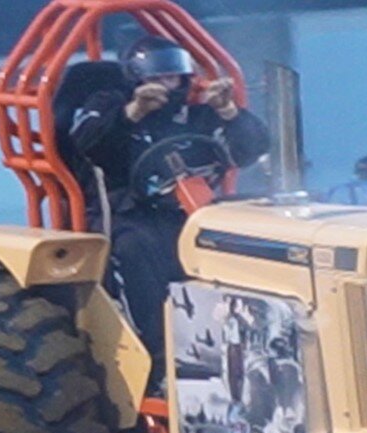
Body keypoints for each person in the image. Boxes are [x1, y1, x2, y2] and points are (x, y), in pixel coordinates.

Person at [68, 36, 269, 384]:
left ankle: (253, 349)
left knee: (247, 242)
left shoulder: (197, 112)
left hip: (191, 211)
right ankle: (158, 362)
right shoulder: (108, 103)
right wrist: (133, 113)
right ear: (136, 79)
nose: (166, 86)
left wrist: (229, 113)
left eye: (173, 78)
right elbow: (83, 142)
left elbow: (252, 149)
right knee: (134, 249)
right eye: (157, 79)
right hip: (126, 210)